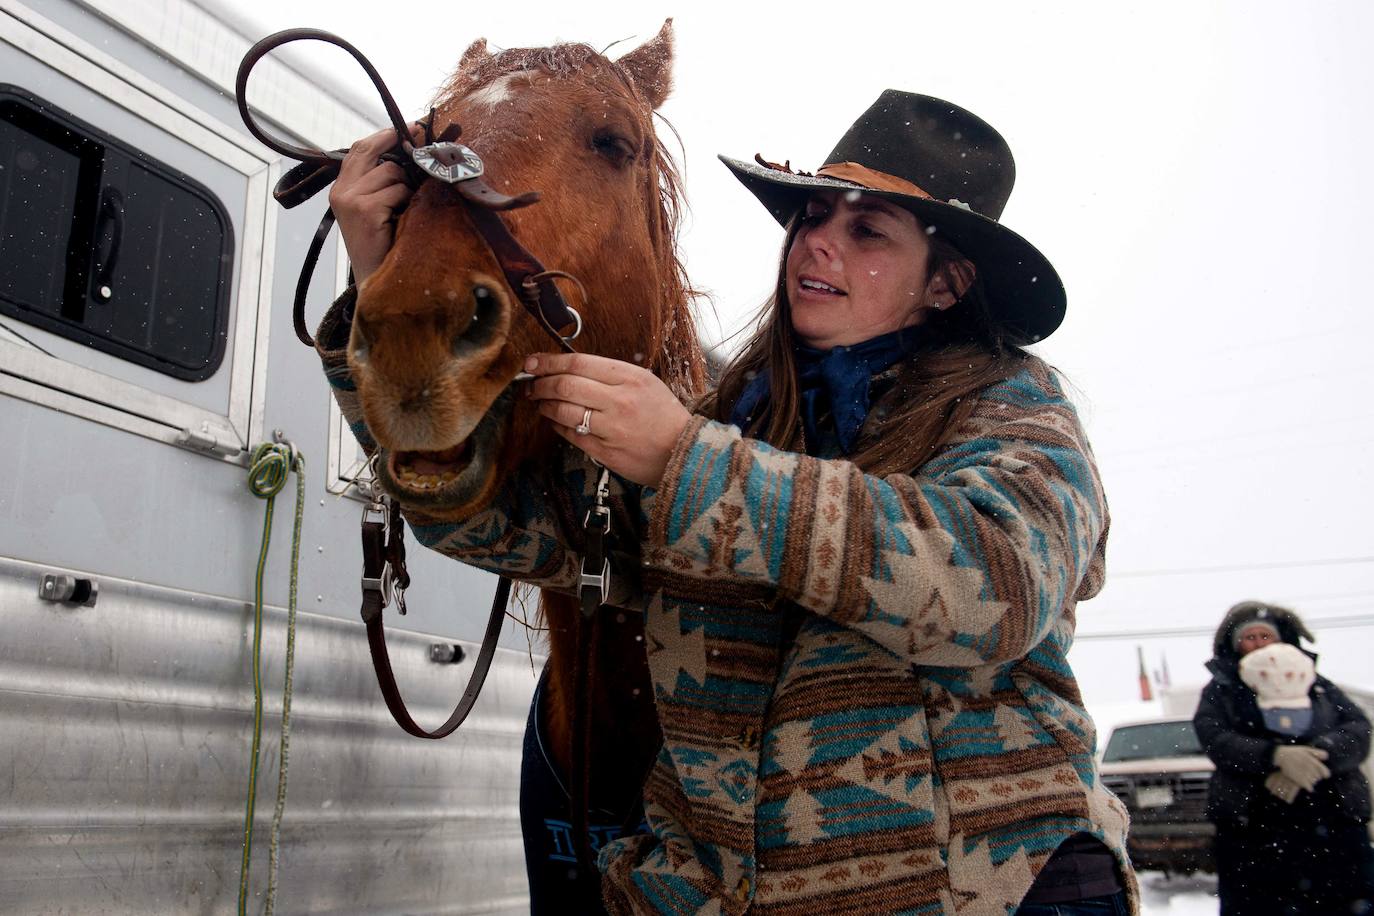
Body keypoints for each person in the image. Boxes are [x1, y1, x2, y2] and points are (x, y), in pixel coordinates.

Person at [325, 90, 1136, 914]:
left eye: (868, 232)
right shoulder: (737, 423)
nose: (818, 240)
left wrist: (683, 458)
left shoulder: (1012, 408)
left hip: (995, 894)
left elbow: (989, 588)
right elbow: (502, 526)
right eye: (815, 215)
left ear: (948, 283)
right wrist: (382, 284)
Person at [1193, 601, 1373, 915]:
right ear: (1235, 644)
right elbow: (1216, 739)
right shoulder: (1221, 690)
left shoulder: (1318, 685)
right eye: (1250, 637)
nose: (1258, 643)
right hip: (1254, 829)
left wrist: (1319, 756)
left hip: (1333, 823)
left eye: (1266, 635)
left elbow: (1358, 730)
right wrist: (1274, 757)